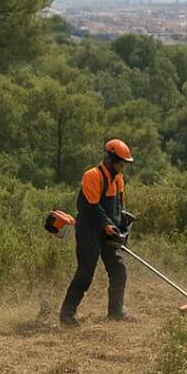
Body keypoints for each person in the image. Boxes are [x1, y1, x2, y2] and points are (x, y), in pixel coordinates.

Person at [60, 139, 135, 326]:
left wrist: (123, 223)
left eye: (125, 163)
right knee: (85, 274)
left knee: (119, 270)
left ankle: (116, 312)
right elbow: (90, 207)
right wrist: (106, 225)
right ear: (110, 158)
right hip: (89, 230)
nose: (122, 166)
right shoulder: (92, 176)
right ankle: (67, 315)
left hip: (108, 232)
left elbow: (117, 206)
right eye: (120, 162)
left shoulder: (118, 179)